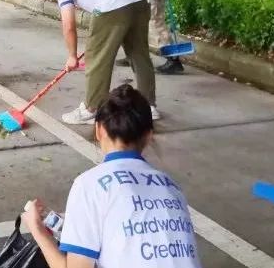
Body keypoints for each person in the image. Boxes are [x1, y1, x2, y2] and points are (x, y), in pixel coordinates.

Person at [21, 84, 201, 268]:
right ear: (148, 136)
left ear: (99, 130)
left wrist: (37, 230)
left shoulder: (88, 184)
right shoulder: (171, 185)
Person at [37, 0, 160, 125]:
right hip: (139, 3)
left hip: (112, 8)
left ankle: (91, 109)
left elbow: (69, 25)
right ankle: (149, 106)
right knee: (139, 55)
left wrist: (72, 56)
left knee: (96, 58)